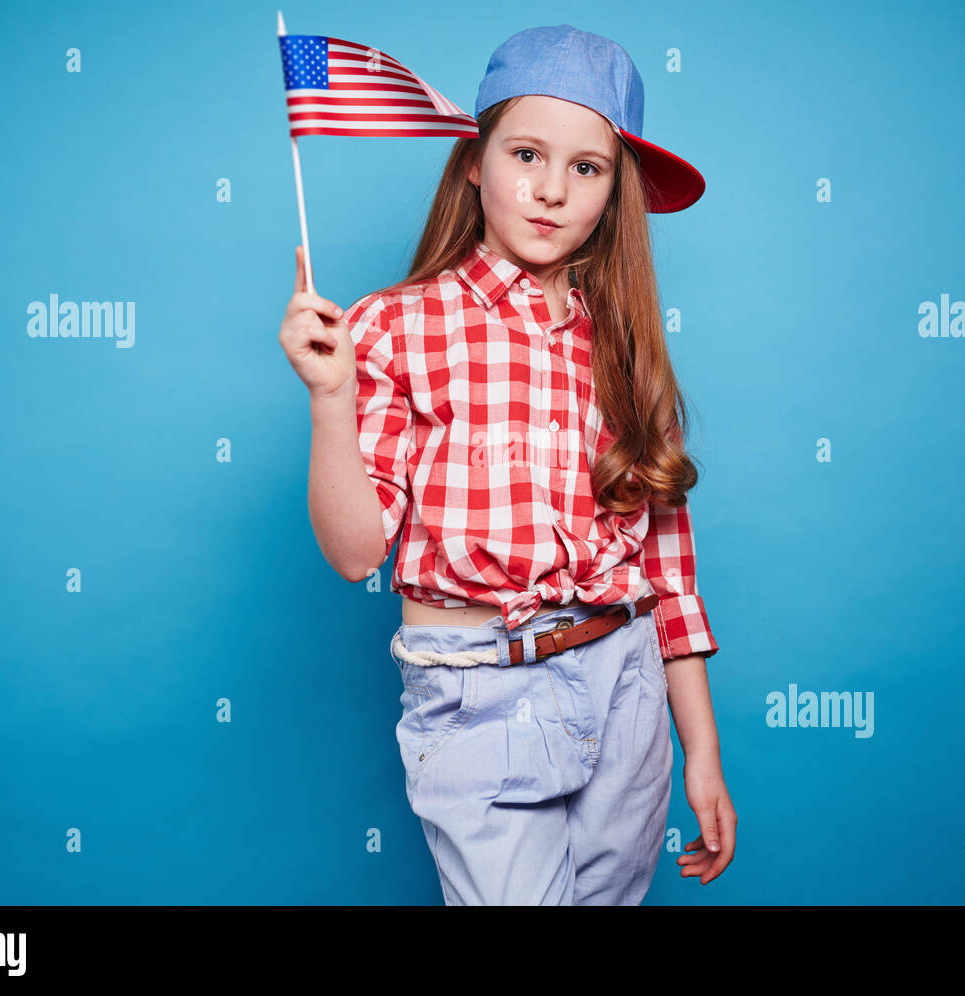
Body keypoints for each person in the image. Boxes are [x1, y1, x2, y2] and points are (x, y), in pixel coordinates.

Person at [279, 24, 736, 904]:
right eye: (527, 153)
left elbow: (667, 575)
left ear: (614, 193)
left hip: (626, 685)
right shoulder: (396, 326)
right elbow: (353, 553)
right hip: (479, 693)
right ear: (475, 162)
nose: (552, 190)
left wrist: (702, 756)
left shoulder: (625, 348)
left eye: (588, 167)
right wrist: (331, 402)